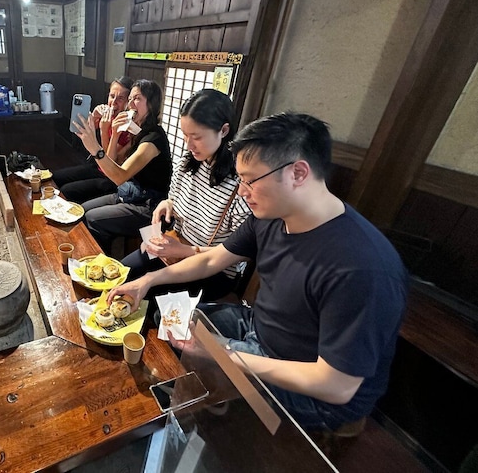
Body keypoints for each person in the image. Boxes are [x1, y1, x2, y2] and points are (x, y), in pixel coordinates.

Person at [107, 112, 408, 432]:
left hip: (314, 389)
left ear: (298, 173)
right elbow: (211, 260)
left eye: (250, 181)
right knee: (167, 316)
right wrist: (147, 280)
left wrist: (227, 356)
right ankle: (205, 399)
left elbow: (336, 386)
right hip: (260, 328)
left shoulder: (363, 269)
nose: (241, 192)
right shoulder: (273, 215)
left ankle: (208, 415)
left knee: (216, 410)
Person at [121, 89, 252, 300]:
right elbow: (173, 197)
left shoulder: (240, 184)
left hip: (212, 270)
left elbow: (239, 254)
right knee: (121, 274)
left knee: (142, 300)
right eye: (185, 135)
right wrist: (167, 203)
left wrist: (183, 250)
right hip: (174, 247)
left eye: (196, 137)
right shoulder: (188, 162)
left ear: (224, 130)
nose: (188, 145)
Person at [73, 79, 172, 253]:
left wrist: (94, 147)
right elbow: (110, 165)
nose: (131, 104)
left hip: (149, 206)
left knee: (93, 218)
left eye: (138, 99)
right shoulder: (137, 130)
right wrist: (113, 134)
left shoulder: (154, 138)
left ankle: (102, 263)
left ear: (152, 104)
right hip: (130, 193)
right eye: (131, 99)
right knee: (80, 212)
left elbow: (119, 176)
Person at [52, 77, 134, 203]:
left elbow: (110, 162)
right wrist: (95, 115)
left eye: (121, 98)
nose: (114, 102)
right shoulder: (109, 116)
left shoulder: (127, 126)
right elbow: (82, 130)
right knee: (55, 177)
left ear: (128, 103)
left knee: (66, 191)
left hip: (110, 177)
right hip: (96, 166)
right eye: (112, 96)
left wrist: (103, 130)